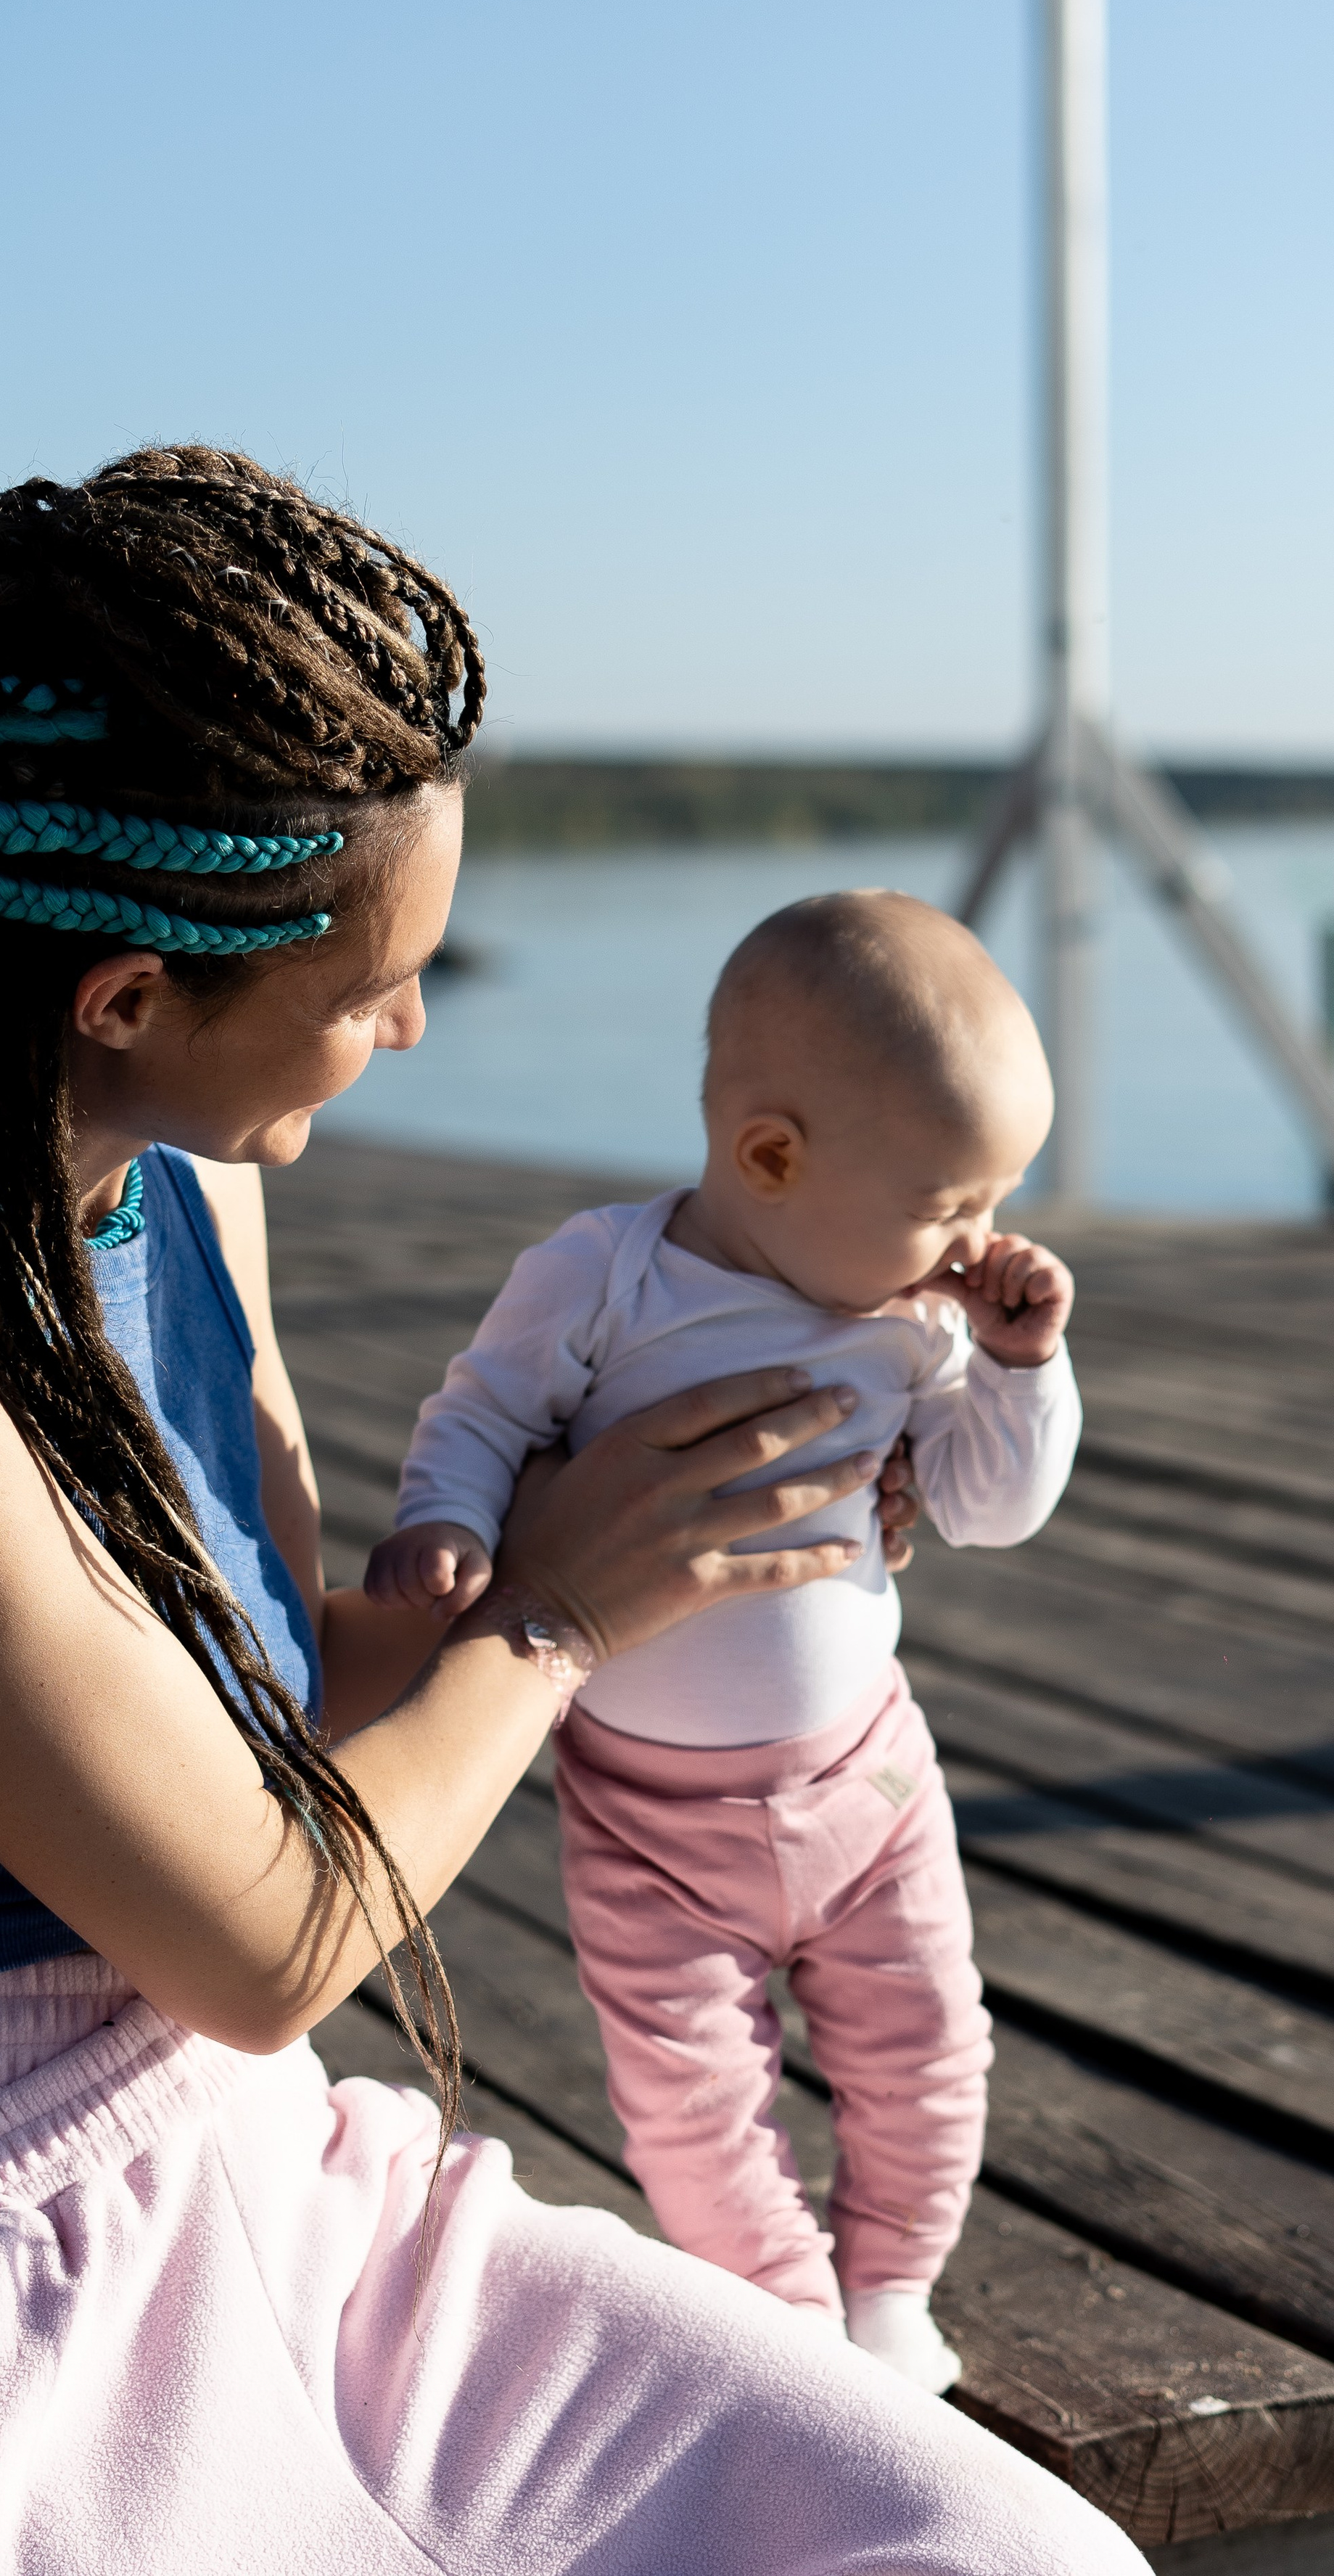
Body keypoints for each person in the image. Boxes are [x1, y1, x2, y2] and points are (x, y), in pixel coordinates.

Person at [0, 451, 1145, 2574]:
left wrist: (686, 1537)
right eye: (372, 988)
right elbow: (269, 1932)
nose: (410, 1022)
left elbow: (286, 1677)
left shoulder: (187, 1191)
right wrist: (553, 1614)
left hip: (276, 2181)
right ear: (123, 999)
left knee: (1003, 2556)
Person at [368, 891, 1079, 2395]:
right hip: (648, 1815)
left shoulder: (916, 1320)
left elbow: (988, 1508)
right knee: (691, 2101)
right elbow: (483, 1411)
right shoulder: (604, 1278)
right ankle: (784, 2330)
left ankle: (888, 2285)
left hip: (867, 1787)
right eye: (948, 1203)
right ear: (770, 1157)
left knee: (925, 2053)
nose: (976, 1244)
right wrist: (446, 1516)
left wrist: (1017, 1371)